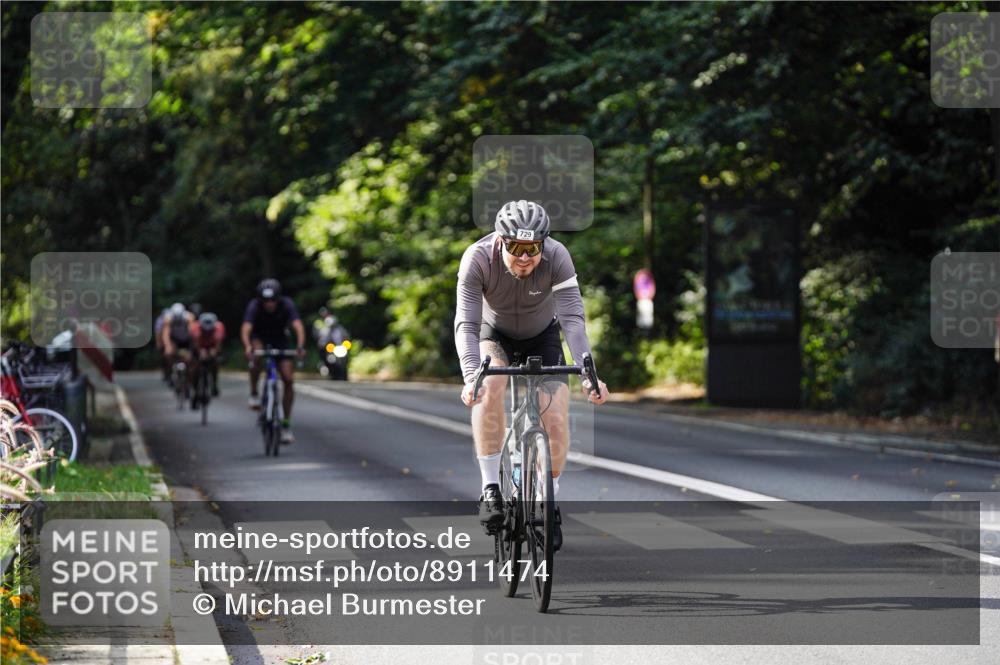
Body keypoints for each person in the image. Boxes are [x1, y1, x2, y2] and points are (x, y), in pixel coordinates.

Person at [454, 200, 609, 551]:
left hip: (543, 334)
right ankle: (491, 489)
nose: (525, 256)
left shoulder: (558, 256)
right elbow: (466, 323)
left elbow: (572, 320)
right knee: (490, 383)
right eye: (516, 247)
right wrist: (469, 376)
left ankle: (546, 499)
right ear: (500, 241)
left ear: (544, 244)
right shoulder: (477, 258)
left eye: (533, 248)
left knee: (555, 413)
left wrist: (589, 373)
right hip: (492, 334)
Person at [241, 278, 306, 444]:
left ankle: (285, 424)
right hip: (260, 338)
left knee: (288, 379)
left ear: (278, 299)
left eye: (272, 300)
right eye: (265, 301)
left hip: (280, 340)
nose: (269, 304)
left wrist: (300, 346)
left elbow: (297, 325)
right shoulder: (254, 306)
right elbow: (246, 327)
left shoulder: (287, 304)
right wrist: (248, 346)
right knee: (255, 355)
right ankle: (255, 393)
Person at [190, 312, 225, 402]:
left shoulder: (219, 328)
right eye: (205, 331)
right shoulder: (195, 329)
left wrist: (213, 352)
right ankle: (194, 388)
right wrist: (201, 352)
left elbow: (218, 345)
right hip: (199, 347)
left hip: (212, 346)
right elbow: (196, 345)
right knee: (194, 368)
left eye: (209, 331)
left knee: (215, 362)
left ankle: (214, 384)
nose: (207, 332)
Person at [161, 303, 195, 389]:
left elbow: (192, 334)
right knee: (168, 354)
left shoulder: (189, 317)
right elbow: (166, 334)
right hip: (174, 339)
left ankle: (189, 379)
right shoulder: (168, 318)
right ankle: (171, 373)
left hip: (186, 339)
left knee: (190, 358)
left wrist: (191, 349)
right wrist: (168, 346)